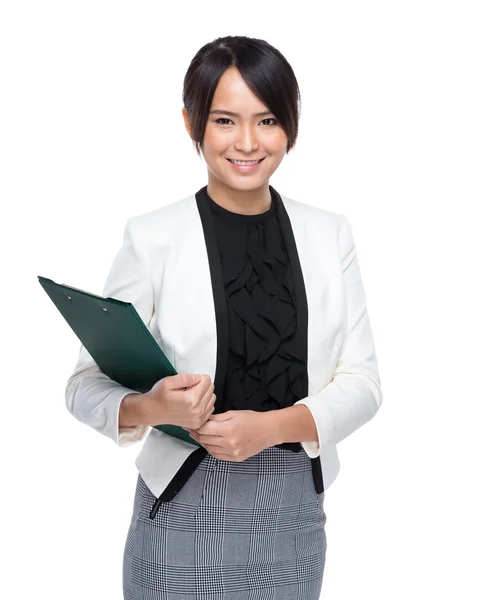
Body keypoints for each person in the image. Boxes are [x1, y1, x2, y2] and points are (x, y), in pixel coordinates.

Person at [65, 34, 383, 600]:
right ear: (192, 123)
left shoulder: (329, 234)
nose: (247, 142)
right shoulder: (152, 237)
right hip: (183, 506)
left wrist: (270, 427)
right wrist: (154, 406)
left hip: (292, 517)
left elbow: (363, 384)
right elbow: (84, 385)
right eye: (224, 120)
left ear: (291, 125)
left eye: (266, 121)